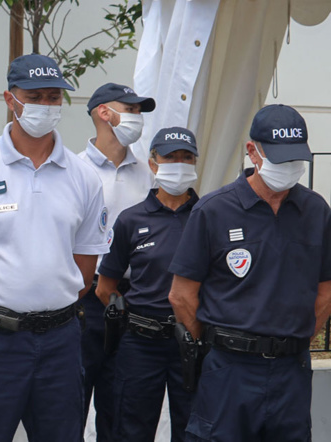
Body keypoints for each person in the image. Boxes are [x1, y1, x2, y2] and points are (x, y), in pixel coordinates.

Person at [0, 54, 108, 441]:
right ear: (10, 99)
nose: (45, 105)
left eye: (54, 97)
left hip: (60, 342)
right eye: (35, 95)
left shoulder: (85, 178)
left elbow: (84, 272)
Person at [168, 104, 331, 441]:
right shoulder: (213, 210)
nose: (288, 167)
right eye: (278, 158)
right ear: (252, 152)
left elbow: (325, 291)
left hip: (291, 370)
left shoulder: (315, 211)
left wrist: (290, 336)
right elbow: (182, 296)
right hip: (230, 367)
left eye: (294, 158)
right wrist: (223, 341)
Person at [95, 127, 199, 442]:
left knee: (194, 428)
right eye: (170, 157)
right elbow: (104, 288)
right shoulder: (131, 219)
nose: (178, 164)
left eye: (186, 157)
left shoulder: (209, 215)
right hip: (141, 344)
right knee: (131, 428)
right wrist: (132, 320)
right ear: (153, 163)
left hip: (193, 341)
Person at [76, 82, 155, 440]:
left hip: (132, 300)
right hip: (82, 300)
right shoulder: (72, 171)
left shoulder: (150, 176)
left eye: (139, 111)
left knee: (123, 409)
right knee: (70, 404)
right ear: (104, 113)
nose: (137, 118)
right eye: (131, 109)